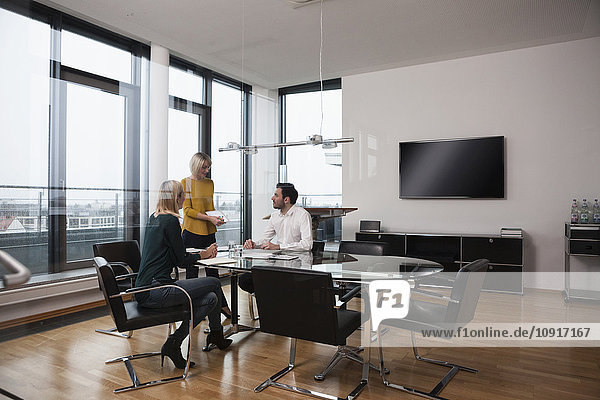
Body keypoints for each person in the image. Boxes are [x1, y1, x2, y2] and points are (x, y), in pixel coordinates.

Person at [135, 180, 232, 369]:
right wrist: (203, 254)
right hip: (158, 289)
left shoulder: (154, 217)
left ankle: (211, 335)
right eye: (182, 195)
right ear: (175, 198)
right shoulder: (171, 221)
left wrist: (195, 255)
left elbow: (170, 255)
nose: (184, 198)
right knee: (214, 282)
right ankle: (192, 338)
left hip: (144, 288)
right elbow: (181, 260)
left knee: (211, 298)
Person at [180, 152, 232, 319]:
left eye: (208, 167)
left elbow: (209, 206)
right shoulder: (185, 183)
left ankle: (221, 306)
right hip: (191, 232)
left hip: (208, 232)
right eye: (204, 167)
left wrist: (216, 217)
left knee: (213, 272)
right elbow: (187, 210)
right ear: (195, 165)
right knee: (192, 273)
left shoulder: (210, 183)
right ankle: (193, 309)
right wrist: (209, 218)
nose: (207, 170)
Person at [240, 183, 313, 293]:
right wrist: (254, 244)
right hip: (278, 264)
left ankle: (274, 300)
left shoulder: (302, 215)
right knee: (244, 279)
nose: (272, 198)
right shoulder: (274, 216)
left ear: (286, 199)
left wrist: (279, 246)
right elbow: (265, 238)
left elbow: (307, 244)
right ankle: (269, 301)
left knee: (278, 284)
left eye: (276, 195)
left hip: (297, 267)